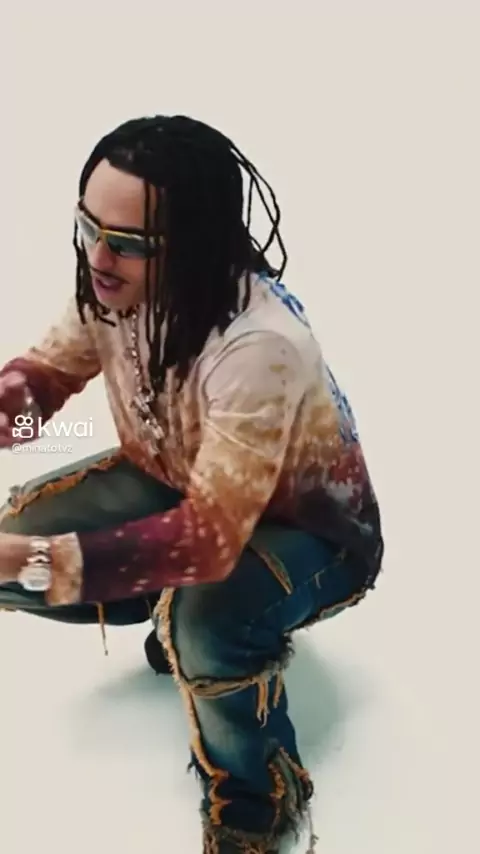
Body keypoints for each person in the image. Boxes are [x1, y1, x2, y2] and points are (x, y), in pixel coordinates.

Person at [0, 115, 384, 853]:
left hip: (309, 537)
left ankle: (254, 794)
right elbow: (46, 377)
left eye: (128, 243)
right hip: (183, 485)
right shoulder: (111, 285)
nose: (98, 257)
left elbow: (208, 544)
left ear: (194, 245)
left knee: (202, 619)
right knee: (18, 538)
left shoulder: (259, 345)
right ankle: (177, 619)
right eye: (87, 228)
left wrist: (31, 564)